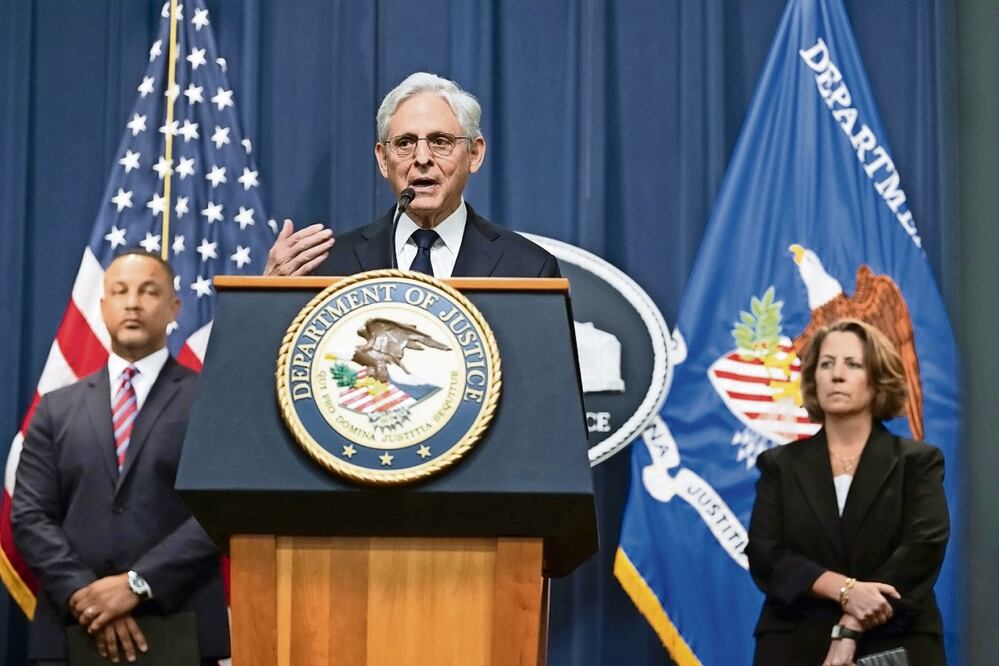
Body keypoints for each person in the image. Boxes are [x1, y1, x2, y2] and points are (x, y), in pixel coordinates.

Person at [12, 251, 228, 665]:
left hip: (180, 626)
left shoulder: (209, 401)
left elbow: (219, 511)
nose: (132, 302)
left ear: (174, 308)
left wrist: (135, 585)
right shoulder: (56, 408)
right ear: (102, 306)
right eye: (120, 291)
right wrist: (87, 597)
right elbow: (29, 515)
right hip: (71, 630)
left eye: (149, 291)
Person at [747, 318, 949, 666]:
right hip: (796, 643)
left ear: (878, 378)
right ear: (813, 378)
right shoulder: (778, 465)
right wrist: (845, 590)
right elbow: (767, 554)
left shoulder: (918, 461)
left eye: (852, 364)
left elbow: (922, 548)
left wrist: (851, 624)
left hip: (895, 639)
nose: (836, 375)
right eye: (826, 364)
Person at [264, 71, 560, 278]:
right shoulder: (329, 265)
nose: (421, 159)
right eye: (404, 143)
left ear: (474, 154)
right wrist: (266, 298)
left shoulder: (528, 267)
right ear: (383, 159)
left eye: (440, 141)